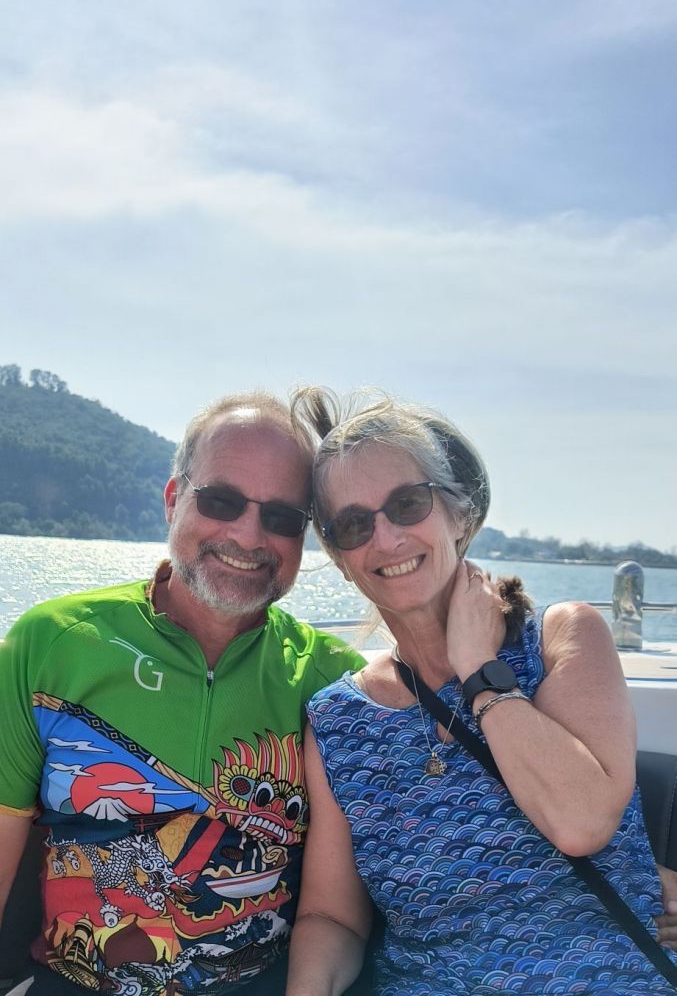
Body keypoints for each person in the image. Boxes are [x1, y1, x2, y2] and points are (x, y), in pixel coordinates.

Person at [286, 386, 677, 996]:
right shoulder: (338, 722)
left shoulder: (560, 640)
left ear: (459, 514)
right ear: (340, 558)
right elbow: (331, 918)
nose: (385, 539)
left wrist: (478, 671)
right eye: (355, 524)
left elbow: (581, 823)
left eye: (408, 504)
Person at [0, 392, 364, 996]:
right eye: (221, 501)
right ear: (173, 499)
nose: (248, 535)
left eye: (282, 517)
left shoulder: (334, 681)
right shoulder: (51, 646)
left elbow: (341, 907)